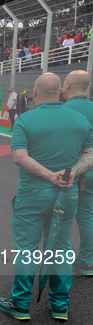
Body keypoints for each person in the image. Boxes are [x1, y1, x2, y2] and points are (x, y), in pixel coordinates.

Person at [0, 72, 93, 321]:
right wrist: (69, 173)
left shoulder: (25, 120)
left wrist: (50, 176)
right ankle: (60, 306)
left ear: (35, 93)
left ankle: (20, 304)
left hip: (32, 195)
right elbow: (90, 156)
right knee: (60, 248)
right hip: (68, 194)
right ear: (60, 91)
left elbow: (19, 157)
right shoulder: (80, 120)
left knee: (27, 249)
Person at [62, 70, 93, 276]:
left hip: (70, 173)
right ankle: (87, 261)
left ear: (68, 84)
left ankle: (55, 263)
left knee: (60, 218)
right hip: (90, 171)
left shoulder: (62, 110)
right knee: (87, 216)